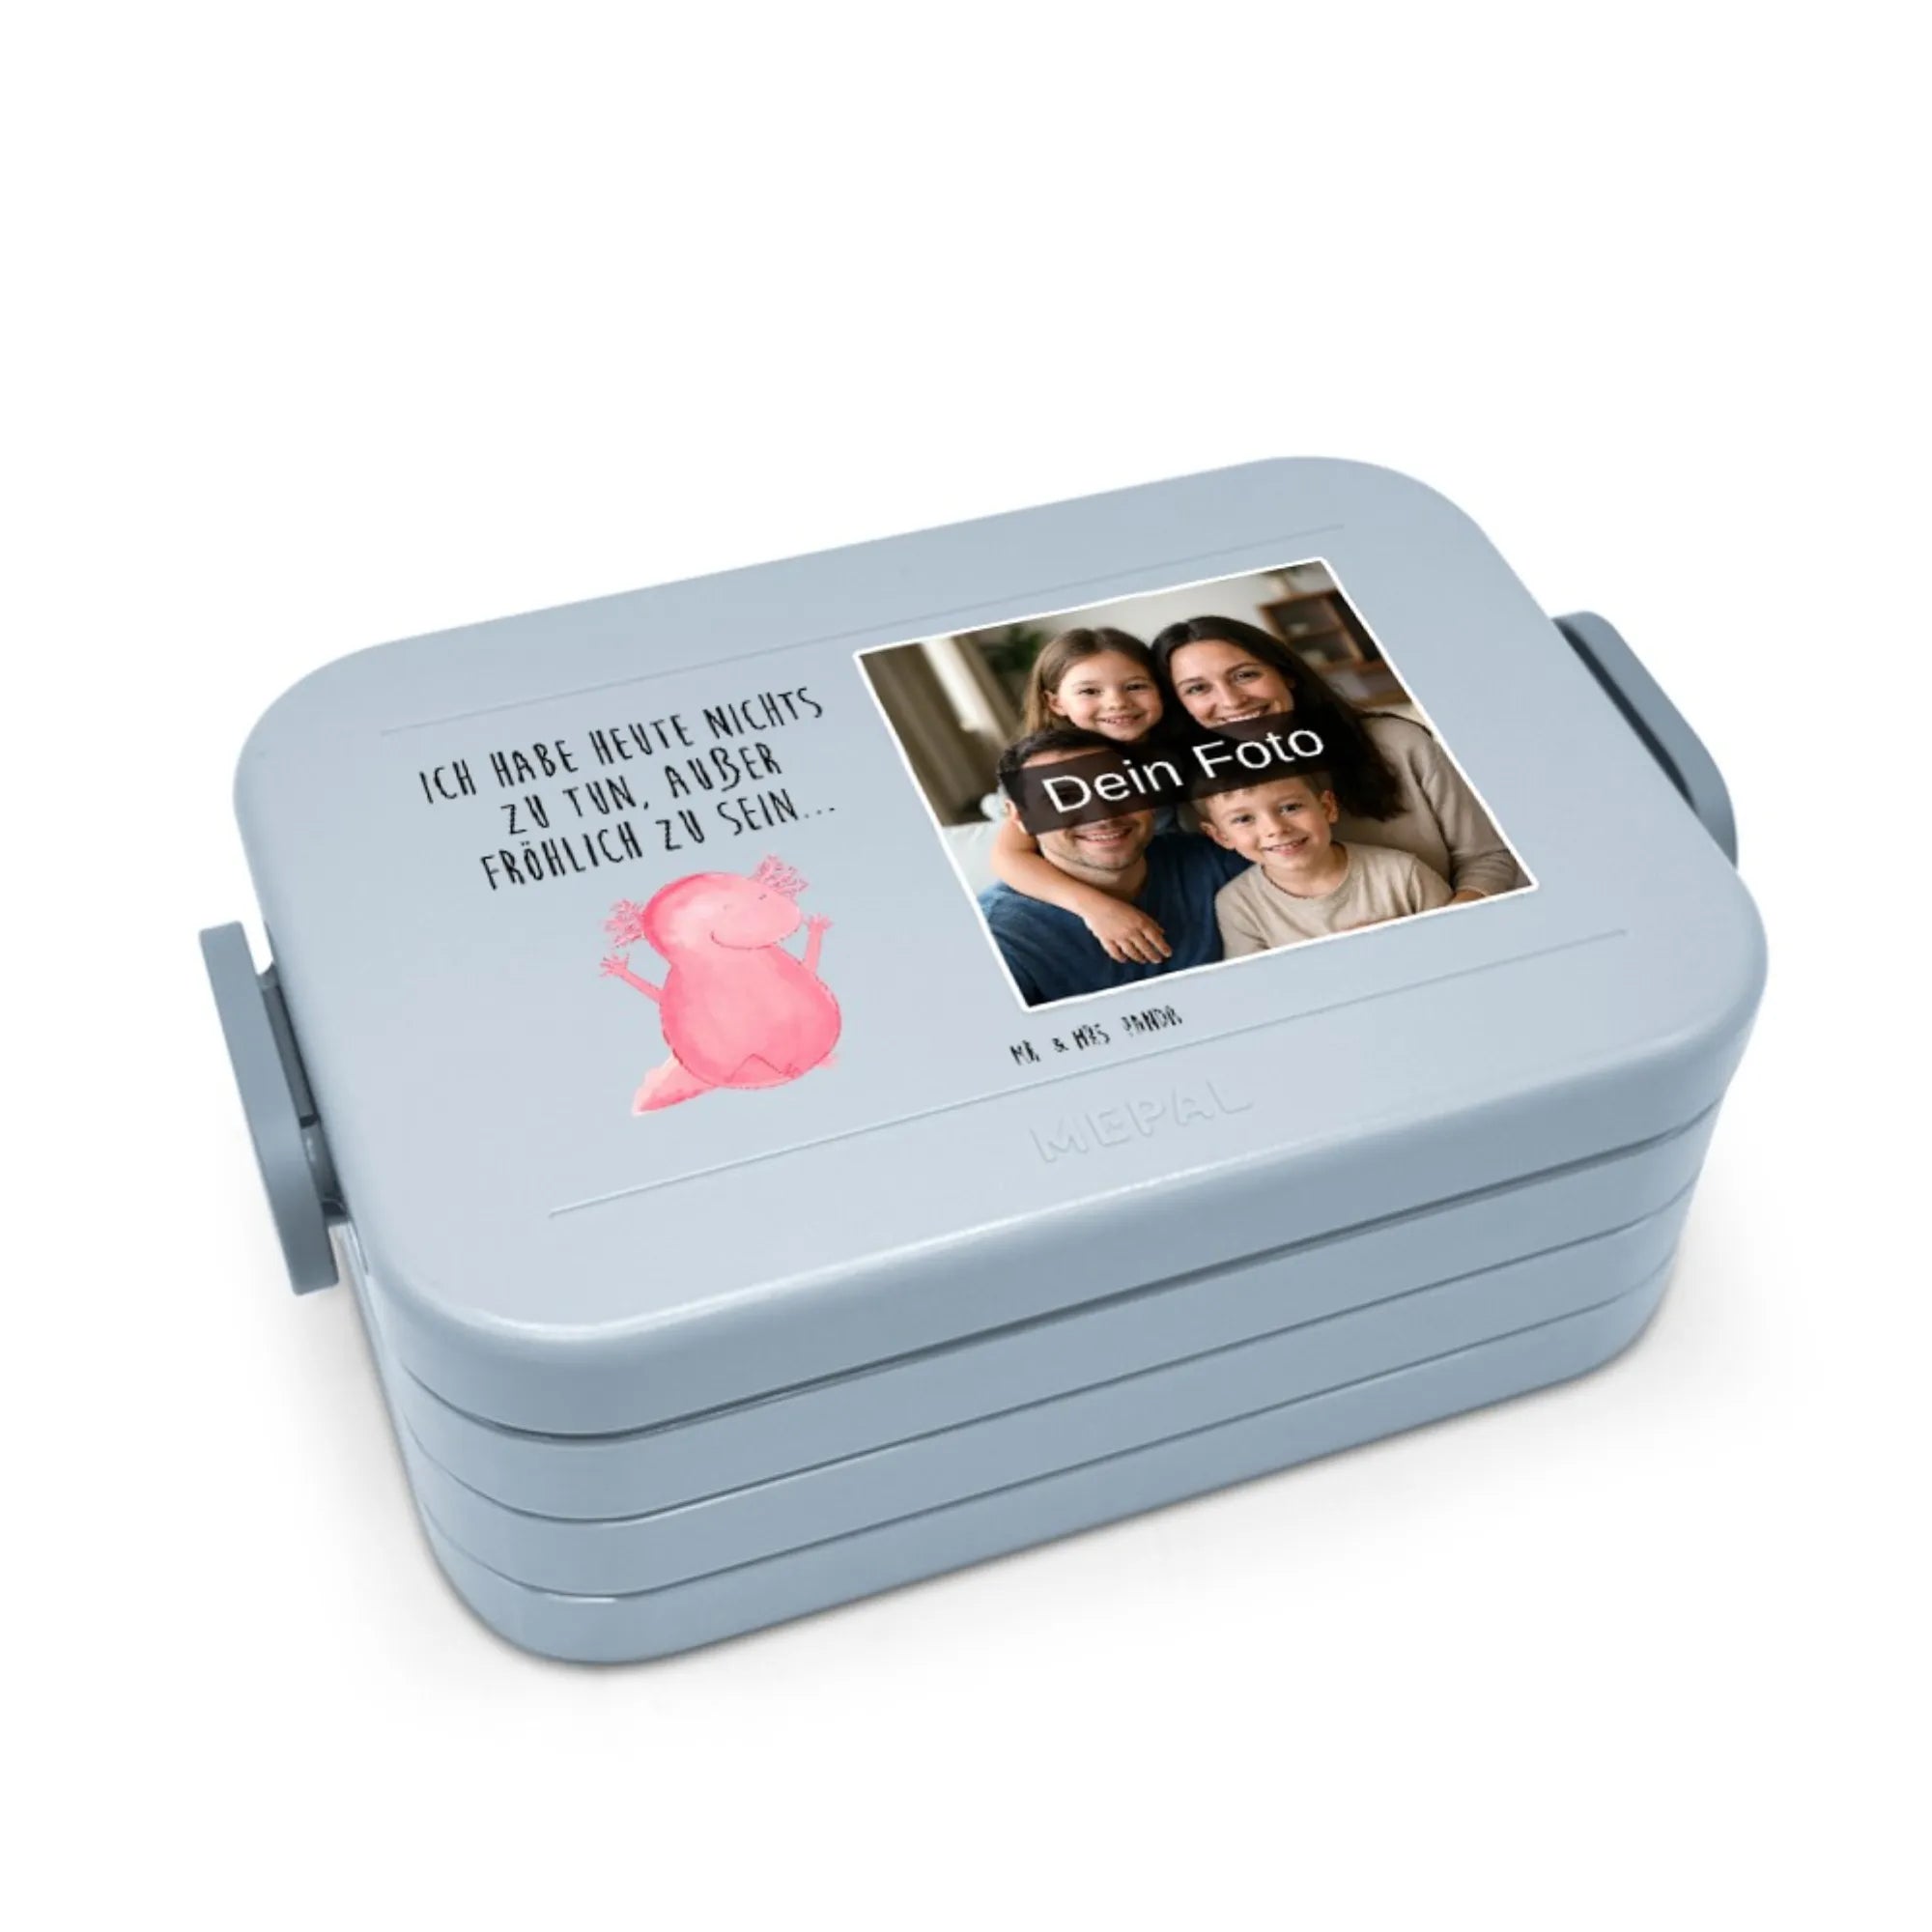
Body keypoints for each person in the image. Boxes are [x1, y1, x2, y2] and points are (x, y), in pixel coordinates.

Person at [1151, 615, 1525, 902]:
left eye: (1245, 675)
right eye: (1197, 689)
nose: (1232, 700)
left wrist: (1443, 928)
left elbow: (1488, 858)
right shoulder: (1197, 796)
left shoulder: (1396, 743)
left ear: (1287, 675)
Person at [978, 726, 1244, 1006]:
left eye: (1116, 788)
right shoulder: (999, 939)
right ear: (1020, 818)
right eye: (1064, 798)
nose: (1102, 815)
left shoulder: (1216, 862)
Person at [987, 628, 1179, 966]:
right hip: (1089, 892)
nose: (1117, 702)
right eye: (1090, 691)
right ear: (1055, 702)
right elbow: (1009, 857)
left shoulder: (1179, 753)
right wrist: (1096, 908)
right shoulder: (1044, 769)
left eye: (1135, 686)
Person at [1196, 773, 1452, 955]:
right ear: (1221, 836)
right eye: (1243, 819)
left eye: (1290, 807)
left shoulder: (1402, 873)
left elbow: (1459, 942)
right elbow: (1257, 988)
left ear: (1328, 807)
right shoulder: (1237, 903)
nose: (1275, 829)